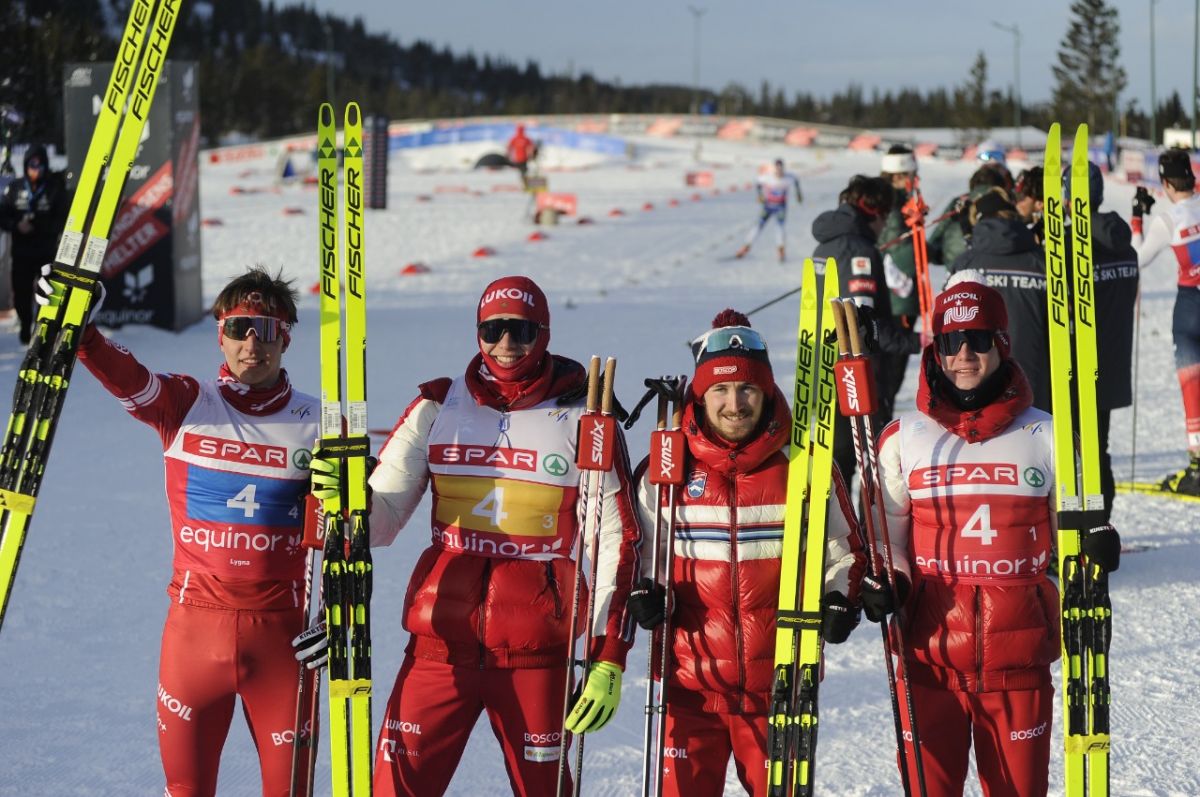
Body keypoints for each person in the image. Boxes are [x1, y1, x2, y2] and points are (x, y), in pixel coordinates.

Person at [346, 275, 642, 796]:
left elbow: (617, 543)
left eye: (522, 331)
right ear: (478, 331)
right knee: (395, 788)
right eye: (493, 329)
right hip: (439, 644)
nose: (507, 343)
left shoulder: (585, 419)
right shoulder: (437, 406)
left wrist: (607, 654)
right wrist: (345, 498)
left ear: (544, 334)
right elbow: (382, 520)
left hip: (536, 652)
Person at [65, 267, 320, 796]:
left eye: (266, 330)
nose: (252, 344)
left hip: (284, 640)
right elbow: (130, 379)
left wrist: (340, 611)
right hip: (194, 633)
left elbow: (361, 526)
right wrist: (85, 334)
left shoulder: (322, 422)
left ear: (286, 339)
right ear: (220, 335)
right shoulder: (186, 403)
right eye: (240, 328)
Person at [872, 281, 1121, 797]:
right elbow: (884, 538)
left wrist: (1096, 542)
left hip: (1019, 663)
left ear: (1002, 343)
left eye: (979, 339)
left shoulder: (1048, 435)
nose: (964, 354)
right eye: (951, 340)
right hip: (928, 661)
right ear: (935, 349)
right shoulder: (905, 437)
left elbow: (1074, 534)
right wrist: (889, 581)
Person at [626, 310, 865, 797]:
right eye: (720, 389)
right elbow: (641, 556)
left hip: (780, 684)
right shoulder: (664, 471)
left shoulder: (806, 465)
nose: (734, 404)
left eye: (747, 389)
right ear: (700, 394)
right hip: (688, 685)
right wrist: (649, 595)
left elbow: (845, 551)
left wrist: (840, 598)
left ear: (767, 392)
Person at [811, 174, 920, 484]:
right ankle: (858, 516)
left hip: (827, 367)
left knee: (839, 460)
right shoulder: (859, 250)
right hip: (857, 374)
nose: (885, 225)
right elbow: (861, 322)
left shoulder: (825, 244)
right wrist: (916, 341)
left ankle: (839, 512)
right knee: (873, 462)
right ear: (874, 211)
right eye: (885, 216)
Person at [1131, 148, 1200, 495]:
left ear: (1166, 183)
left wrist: (1137, 219)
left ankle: (1197, 469)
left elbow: (1136, 259)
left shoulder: (1168, 219)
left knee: (1193, 385)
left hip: (1190, 307)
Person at [946, 188, 1050, 410]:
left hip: (977, 382)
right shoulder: (1042, 262)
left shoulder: (966, 262)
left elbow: (949, 323)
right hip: (1034, 380)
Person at [0, 144, 68, 343]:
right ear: (25, 165)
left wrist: (39, 225)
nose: (35, 170)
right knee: (21, 293)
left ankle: (41, 329)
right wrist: (16, 225)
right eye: (32, 165)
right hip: (21, 253)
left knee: (45, 292)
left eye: (40, 165)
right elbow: (3, 215)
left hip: (46, 252)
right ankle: (24, 324)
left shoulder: (55, 188)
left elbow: (62, 219)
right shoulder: (15, 188)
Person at [877, 145, 922, 426]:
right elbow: (898, 252)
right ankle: (881, 427)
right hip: (897, 299)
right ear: (900, 175)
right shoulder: (894, 205)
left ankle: (882, 419)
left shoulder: (896, 200)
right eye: (912, 174)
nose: (916, 179)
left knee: (889, 373)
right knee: (889, 374)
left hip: (897, 299)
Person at [734, 158, 803, 262]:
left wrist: (798, 194)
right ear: (775, 169)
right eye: (777, 169)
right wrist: (760, 195)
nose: (779, 172)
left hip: (780, 207)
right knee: (758, 226)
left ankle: (781, 250)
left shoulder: (788, 178)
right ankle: (745, 247)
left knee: (780, 228)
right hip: (768, 206)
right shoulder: (768, 177)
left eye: (781, 169)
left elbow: (796, 180)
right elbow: (757, 182)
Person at [506, 124, 537, 189]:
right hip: (524, 158)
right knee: (524, 172)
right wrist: (532, 156)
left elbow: (509, 147)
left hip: (518, 158)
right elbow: (532, 148)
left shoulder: (514, 138)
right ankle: (525, 184)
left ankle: (524, 184)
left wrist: (508, 155)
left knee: (522, 172)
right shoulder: (526, 139)